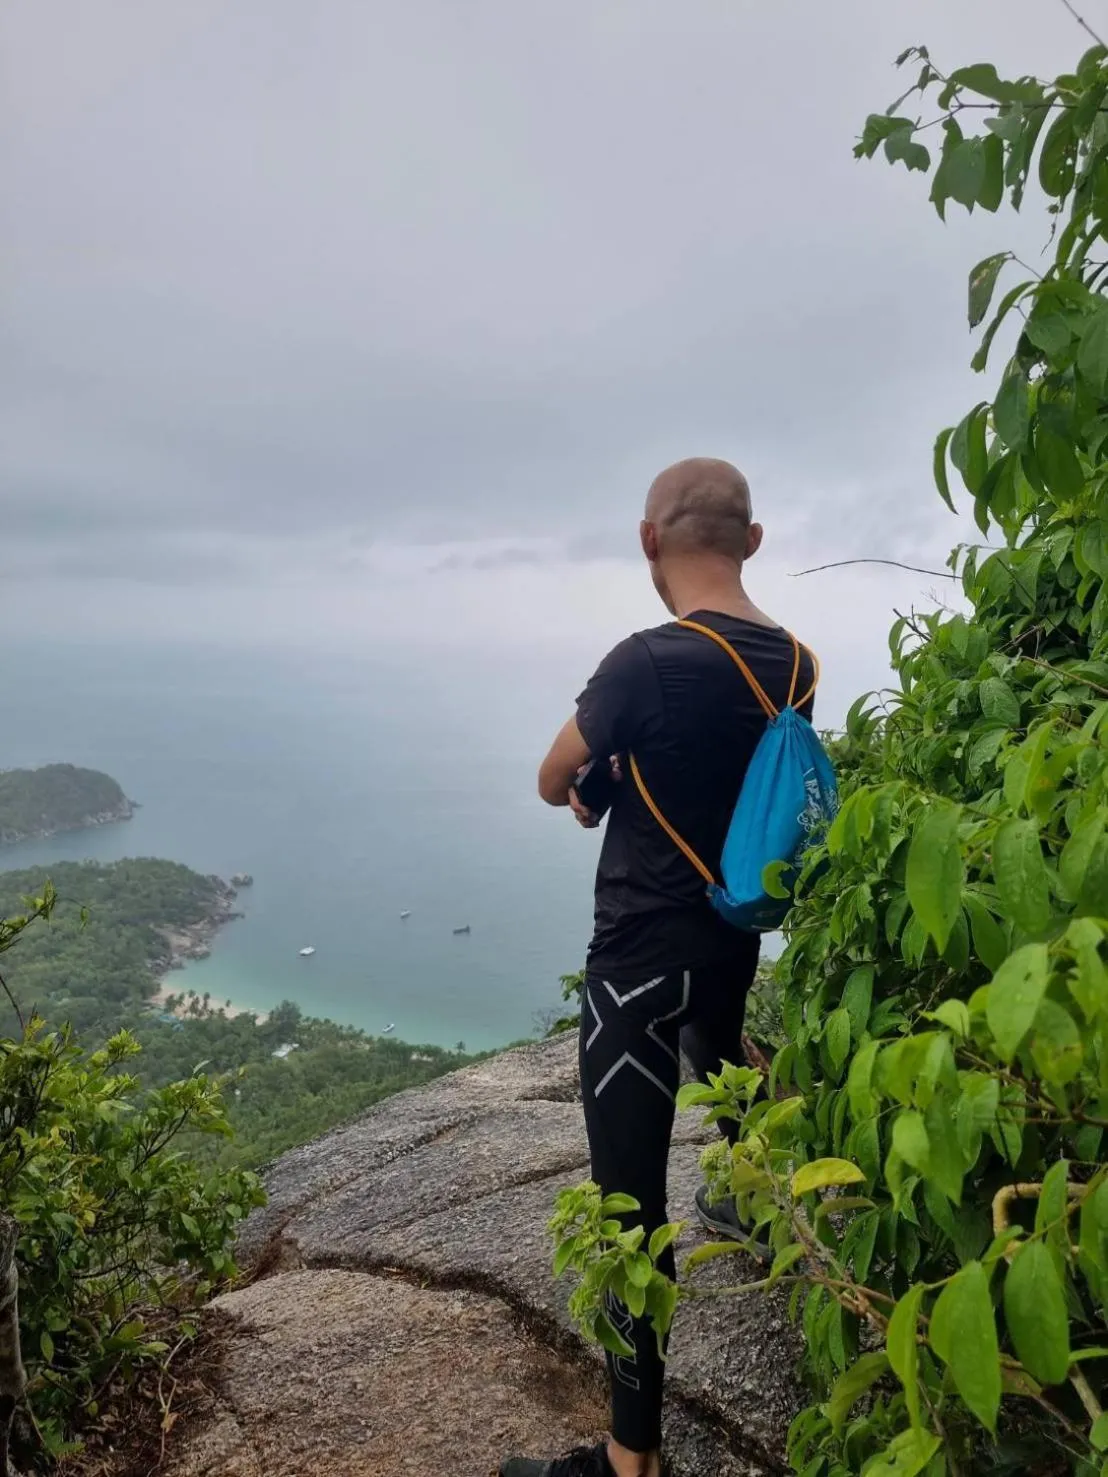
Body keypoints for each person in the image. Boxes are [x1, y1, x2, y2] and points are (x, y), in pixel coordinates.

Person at [501, 458, 816, 1477]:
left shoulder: (641, 660)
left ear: (649, 541)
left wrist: (597, 774)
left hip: (636, 959)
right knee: (723, 1053)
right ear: (752, 541)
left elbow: (553, 776)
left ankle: (629, 1460)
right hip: (730, 936)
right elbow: (730, 777)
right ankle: (779, 1215)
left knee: (627, 1208)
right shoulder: (797, 662)